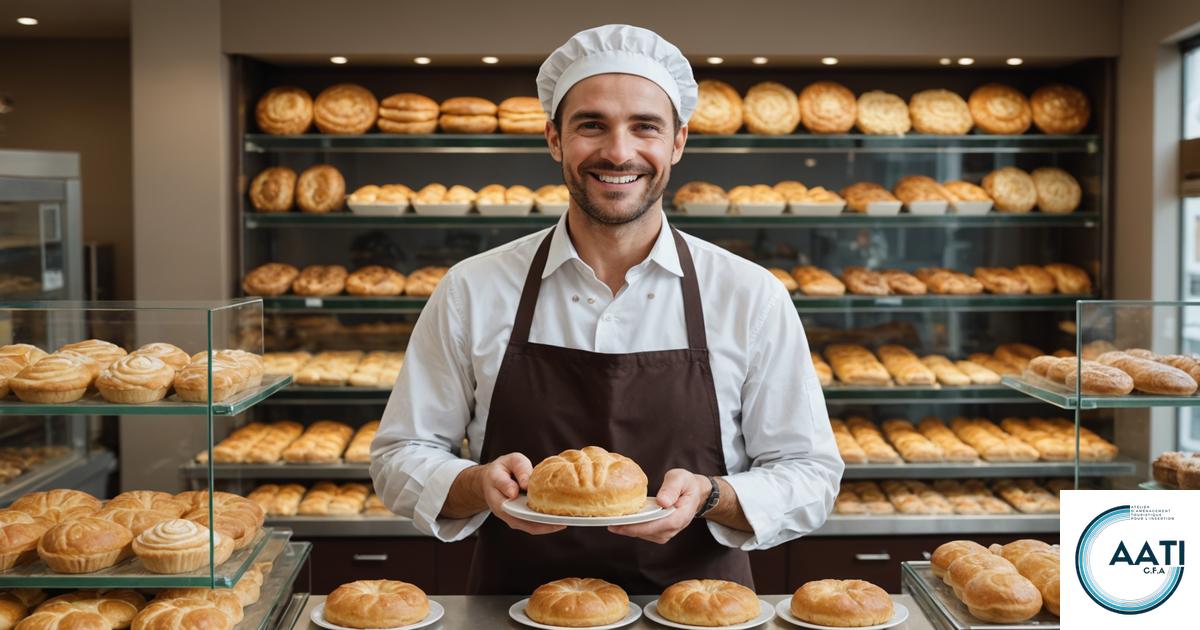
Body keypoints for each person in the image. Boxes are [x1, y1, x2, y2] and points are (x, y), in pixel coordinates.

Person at [371, 23, 842, 595]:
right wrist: (475, 483)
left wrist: (713, 496)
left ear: (678, 142)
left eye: (645, 127)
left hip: (697, 608)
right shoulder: (473, 288)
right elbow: (401, 455)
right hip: (515, 606)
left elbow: (810, 474)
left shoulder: (748, 293)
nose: (619, 152)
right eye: (591, 125)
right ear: (553, 139)